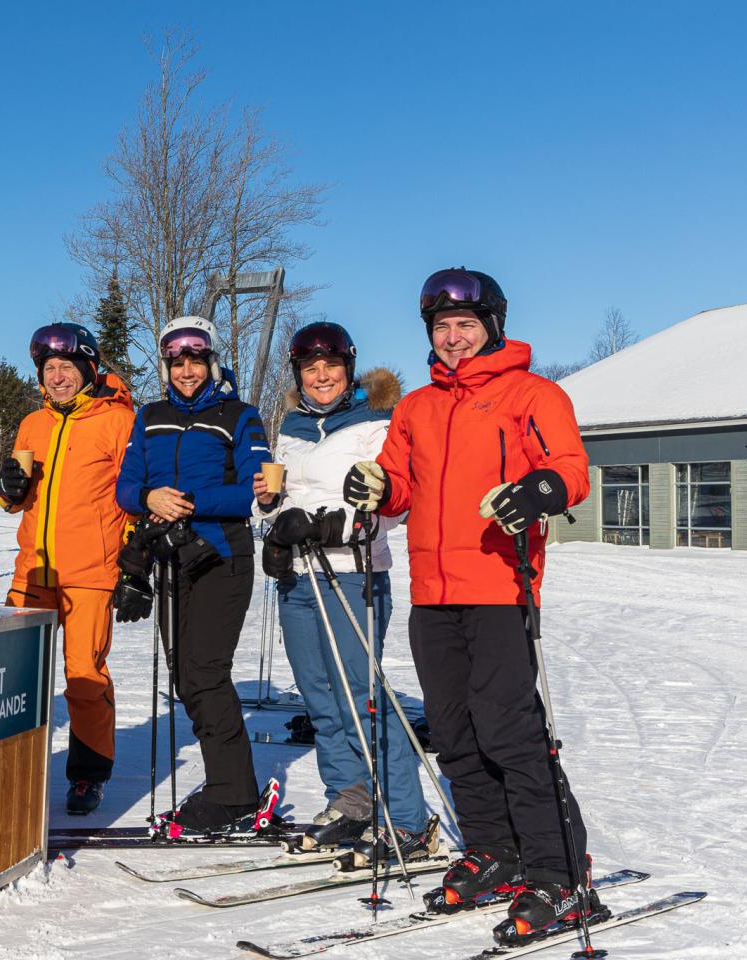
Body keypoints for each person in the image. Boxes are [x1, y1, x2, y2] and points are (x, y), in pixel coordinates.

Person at [344, 268, 596, 938]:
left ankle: (560, 871)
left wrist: (538, 489)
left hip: (499, 587)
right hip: (432, 592)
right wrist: (374, 485)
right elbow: (398, 484)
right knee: (454, 734)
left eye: (466, 326)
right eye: (442, 328)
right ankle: (494, 851)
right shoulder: (418, 407)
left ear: (492, 327)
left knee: (510, 732)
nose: (454, 339)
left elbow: (571, 469)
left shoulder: (532, 394)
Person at [255, 321, 434, 862]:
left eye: (330, 367)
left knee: (364, 701)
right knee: (322, 702)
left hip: (354, 573)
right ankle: (351, 802)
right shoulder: (291, 424)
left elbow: (399, 503)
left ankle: (408, 821)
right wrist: (269, 519)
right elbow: (278, 493)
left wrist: (337, 526)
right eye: (310, 369)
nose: (321, 376)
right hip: (299, 579)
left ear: (349, 369)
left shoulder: (380, 423)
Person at [115, 316, 271, 832]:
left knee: (204, 671)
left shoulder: (240, 415)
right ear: (167, 365)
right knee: (186, 677)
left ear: (211, 362)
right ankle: (226, 781)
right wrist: (147, 498)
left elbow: (251, 491)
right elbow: (127, 486)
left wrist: (185, 503)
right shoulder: (150, 416)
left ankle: (234, 793)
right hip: (171, 557)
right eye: (177, 361)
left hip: (223, 556)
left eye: (195, 360)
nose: (187, 370)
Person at [0, 323, 135, 815]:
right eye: (49, 369)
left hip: (90, 572)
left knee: (84, 676)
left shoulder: (118, 421)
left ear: (88, 370)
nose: (57, 377)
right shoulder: (33, 424)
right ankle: (12, 763)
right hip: (32, 571)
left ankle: (88, 775)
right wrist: (6, 488)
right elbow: (17, 500)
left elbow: (134, 495)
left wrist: (134, 556)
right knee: (16, 676)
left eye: (66, 368)